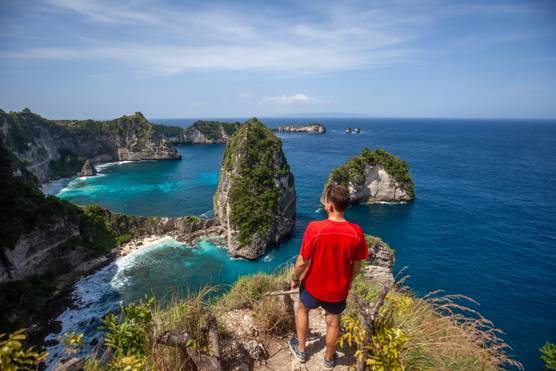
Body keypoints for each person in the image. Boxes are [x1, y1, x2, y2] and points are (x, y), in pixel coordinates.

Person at [288, 184, 369, 369]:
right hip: (338, 289)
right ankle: (329, 358)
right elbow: (356, 265)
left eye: (325, 199)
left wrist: (295, 278)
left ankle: (301, 350)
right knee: (333, 323)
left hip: (313, 286)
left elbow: (302, 262)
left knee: (303, 310)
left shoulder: (315, 228)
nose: (324, 202)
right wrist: (348, 282)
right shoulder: (356, 232)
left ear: (330, 204)